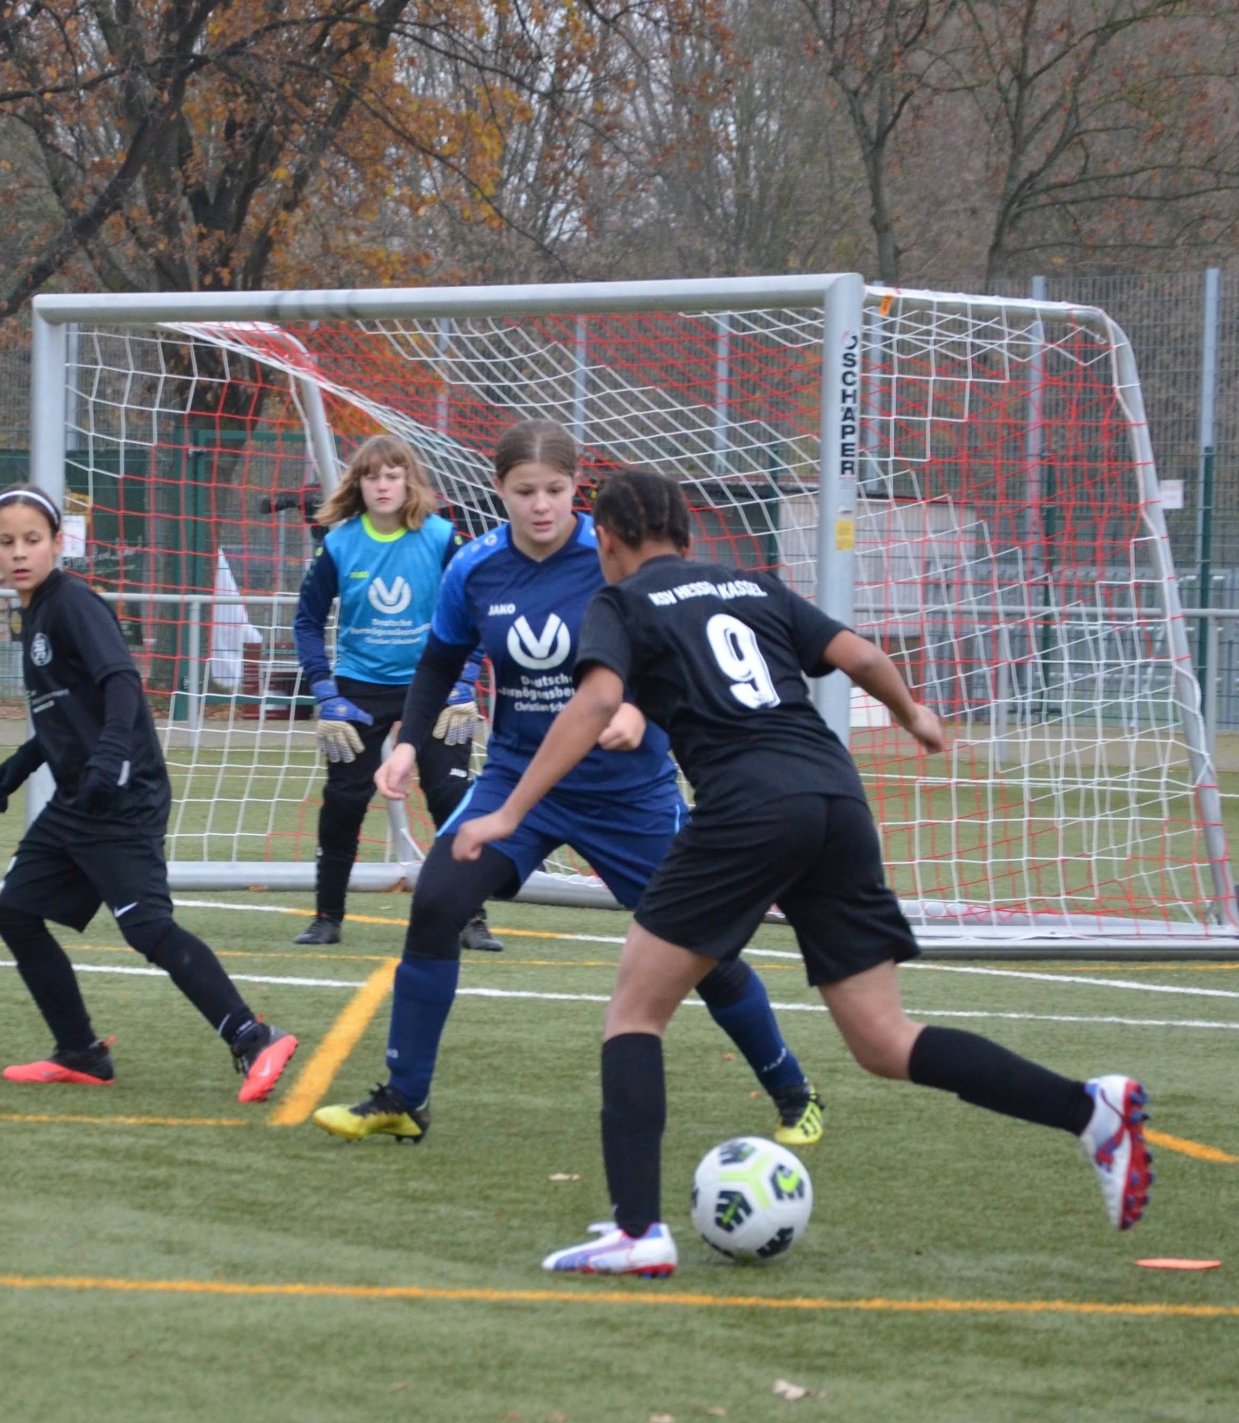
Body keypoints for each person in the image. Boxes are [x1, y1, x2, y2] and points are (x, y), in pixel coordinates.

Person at [449, 466, 1153, 1278]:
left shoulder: (621, 600)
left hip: (748, 807)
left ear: (604, 539)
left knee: (635, 1013)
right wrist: (914, 714)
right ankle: (1087, 1109)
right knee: (885, 1040)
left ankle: (637, 1231)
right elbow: (859, 653)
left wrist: (506, 813)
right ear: (688, 532)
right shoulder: (755, 585)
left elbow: (597, 703)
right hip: (834, 797)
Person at [312, 421, 824, 1148]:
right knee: (437, 901)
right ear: (499, 492)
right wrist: (404, 744)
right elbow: (438, 663)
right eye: (525, 492)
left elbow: (675, 656)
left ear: (577, 490)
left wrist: (641, 713)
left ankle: (792, 1088)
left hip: (628, 792)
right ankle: (404, 1095)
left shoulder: (613, 556)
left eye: (555, 490)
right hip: (521, 777)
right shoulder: (475, 567)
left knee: (700, 950)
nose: (541, 506)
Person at [0, 483, 299, 1100]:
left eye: (32, 539)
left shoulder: (72, 603)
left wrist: (108, 762)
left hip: (121, 795)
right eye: (6, 542)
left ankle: (255, 1037)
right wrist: (24, 761)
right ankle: (80, 1051)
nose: (20, 552)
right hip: (78, 799)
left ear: (56, 544)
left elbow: (122, 684)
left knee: (147, 928)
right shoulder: (37, 611)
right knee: (15, 912)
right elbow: (68, 710)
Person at [291, 433, 497, 949]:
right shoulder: (338, 543)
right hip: (357, 690)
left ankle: (472, 918)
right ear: (358, 484)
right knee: (343, 802)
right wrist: (326, 693)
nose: (382, 485)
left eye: (392, 475)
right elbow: (307, 622)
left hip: (437, 686)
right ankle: (327, 917)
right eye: (372, 476)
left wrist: (464, 681)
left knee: (452, 795)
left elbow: (478, 613)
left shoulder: (442, 537)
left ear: (409, 481)